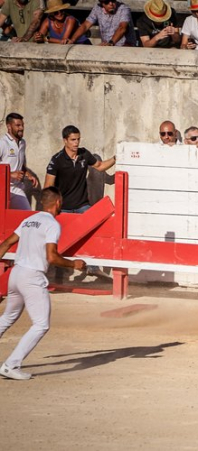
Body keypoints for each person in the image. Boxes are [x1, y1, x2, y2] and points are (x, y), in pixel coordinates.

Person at [0, 187, 86, 380]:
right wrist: (75, 264)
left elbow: (5, 244)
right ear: (57, 202)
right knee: (41, 325)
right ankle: (11, 365)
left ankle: (10, 365)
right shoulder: (52, 224)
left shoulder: (28, 220)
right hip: (32, 276)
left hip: (16, 273)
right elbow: (52, 256)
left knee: (7, 317)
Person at [44, 125, 116, 213]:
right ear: (65, 141)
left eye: (78, 139)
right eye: (73, 140)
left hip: (82, 206)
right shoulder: (56, 160)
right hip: (63, 207)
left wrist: (115, 158)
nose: (76, 143)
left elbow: (100, 166)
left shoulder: (84, 154)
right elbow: (48, 187)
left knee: (94, 221)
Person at [0, 113, 38, 210]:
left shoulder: (22, 143)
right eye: (17, 125)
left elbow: (20, 164)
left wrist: (27, 174)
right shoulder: (2, 143)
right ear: (9, 126)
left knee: (27, 217)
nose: (21, 128)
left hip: (16, 189)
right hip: (2, 189)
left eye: (22, 125)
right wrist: (10, 174)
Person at [69, 0, 136, 46]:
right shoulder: (97, 8)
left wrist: (111, 43)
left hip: (125, 46)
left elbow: (122, 28)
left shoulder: (123, 8)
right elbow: (86, 25)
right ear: (102, 3)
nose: (111, 3)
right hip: (106, 46)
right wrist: (72, 40)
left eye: (113, 0)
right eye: (107, 1)